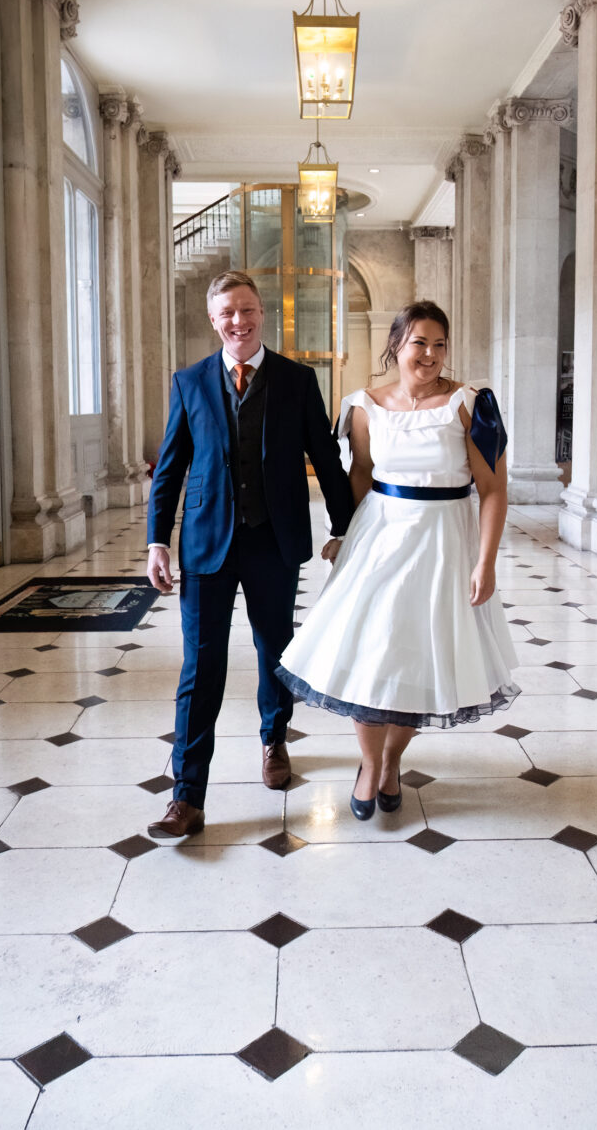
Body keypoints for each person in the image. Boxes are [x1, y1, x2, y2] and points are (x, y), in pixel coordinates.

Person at [277, 300, 520, 819]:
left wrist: (486, 561)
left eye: (439, 344)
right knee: (370, 654)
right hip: (378, 539)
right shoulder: (363, 406)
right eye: (419, 342)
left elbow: (494, 490)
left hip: (443, 543)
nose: (429, 354)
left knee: (417, 657)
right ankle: (368, 764)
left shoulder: (469, 404)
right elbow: (359, 476)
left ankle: (391, 762)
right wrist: (342, 534)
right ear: (396, 346)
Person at [145, 270, 354, 838]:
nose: (239, 321)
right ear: (213, 321)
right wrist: (157, 540)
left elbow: (327, 459)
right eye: (227, 313)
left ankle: (274, 738)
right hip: (207, 545)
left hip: (273, 540)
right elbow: (170, 469)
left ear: (263, 314)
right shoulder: (189, 383)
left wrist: (347, 528)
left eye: (248, 310)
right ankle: (186, 796)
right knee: (200, 667)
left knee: (274, 650)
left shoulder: (296, 380)